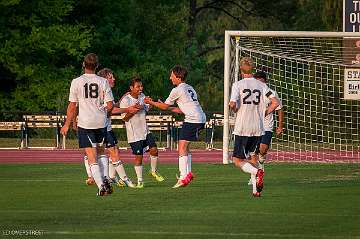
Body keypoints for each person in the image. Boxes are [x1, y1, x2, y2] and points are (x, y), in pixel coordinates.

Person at [60, 53, 114, 196]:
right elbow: (110, 105)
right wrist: (102, 111)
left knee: (91, 155)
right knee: (102, 151)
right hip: (101, 122)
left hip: (86, 122)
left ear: (83, 64)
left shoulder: (76, 81)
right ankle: (106, 178)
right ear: (97, 66)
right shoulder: (103, 81)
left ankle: (101, 186)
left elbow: (72, 106)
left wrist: (66, 124)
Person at [145, 65, 206, 188]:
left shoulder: (177, 90)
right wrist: (167, 106)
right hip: (199, 118)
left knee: (181, 147)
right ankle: (188, 174)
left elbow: (164, 107)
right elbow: (181, 109)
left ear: (178, 77)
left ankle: (183, 177)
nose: (170, 77)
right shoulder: (189, 88)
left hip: (193, 120)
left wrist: (150, 102)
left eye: (172, 75)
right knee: (185, 147)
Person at [229, 57, 279, 197]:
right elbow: (274, 102)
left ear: (241, 70)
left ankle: (257, 172)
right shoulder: (262, 85)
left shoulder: (238, 85)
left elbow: (233, 104)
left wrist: (234, 108)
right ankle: (256, 191)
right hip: (258, 127)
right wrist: (265, 112)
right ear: (252, 69)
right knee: (253, 158)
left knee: (237, 160)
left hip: (243, 127)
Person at [80, 68, 137, 188]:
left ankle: (108, 177)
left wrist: (122, 99)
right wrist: (127, 109)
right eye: (111, 77)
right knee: (107, 152)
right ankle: (123, 179)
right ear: (105, 79)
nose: (114, 79)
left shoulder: (106, 90)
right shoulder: (102, 90)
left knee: (110, 151)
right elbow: (110, 109)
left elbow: (111, 107)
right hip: (101, 127)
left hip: (105, 126)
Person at [115, 77, 165, 188]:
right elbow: (125, 118)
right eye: (138, 86)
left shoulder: (142, 97)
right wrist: (135, 109)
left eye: (141, 86)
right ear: (131, 88)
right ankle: (140, 180)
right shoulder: (126, 100)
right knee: (139, 157)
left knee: (154, 150)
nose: (141, 88)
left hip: (145, 131)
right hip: (134, 134)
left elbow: (147, 108)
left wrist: (151, 104)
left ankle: (153, 171)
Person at [253, 71, 284, 170]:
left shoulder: (271, 93)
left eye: (262, 82)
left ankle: (261, 164)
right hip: (253, 125)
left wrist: (280, 126)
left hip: (267, 126)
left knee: (263, 149)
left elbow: (279, 108)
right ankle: (254, 175)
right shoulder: (252, 93)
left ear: (266, 82)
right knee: (252, 152)